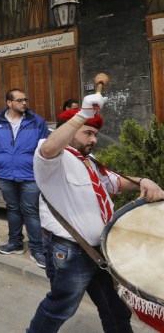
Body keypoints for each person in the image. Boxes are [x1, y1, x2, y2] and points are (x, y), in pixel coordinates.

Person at [27, 95, 164, 332]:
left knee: (116, 309)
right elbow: (50, 148)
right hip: (70, 251)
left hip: (102, 250)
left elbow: (114, 184)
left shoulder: (90, 161)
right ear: (70, 131)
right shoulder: (51, 157)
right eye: (87, 133)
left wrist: (143, 180)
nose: (93, 139)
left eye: (96, 135)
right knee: (60, 308)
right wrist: (83, 113)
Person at [0, 88, 49, 268]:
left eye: (25, 100)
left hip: (30, 174)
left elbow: (46, 147)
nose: (24, 103)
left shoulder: (36, 122)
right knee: (12, 209)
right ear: (9, 103)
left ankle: (37, 250)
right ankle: (16, 243)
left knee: (31, 211)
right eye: (20, 100)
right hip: (5, 174)